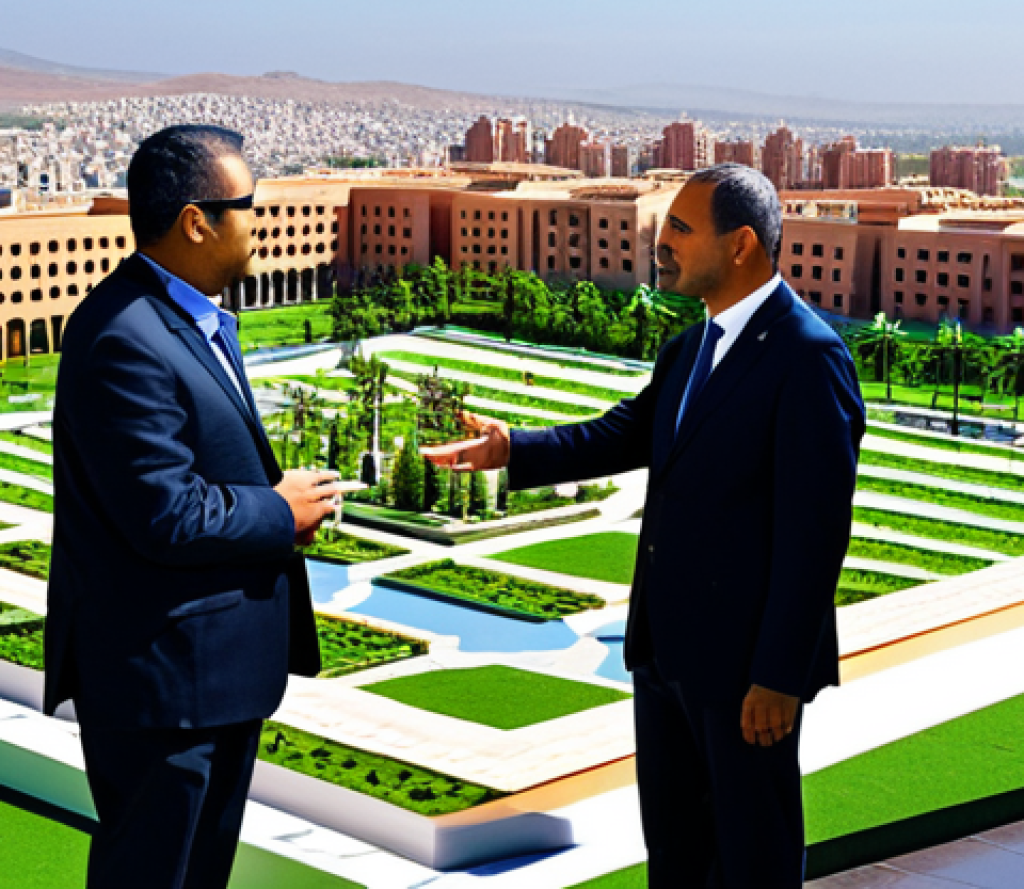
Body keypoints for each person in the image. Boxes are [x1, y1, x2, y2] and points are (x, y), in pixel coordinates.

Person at [423, 164, 865, 888]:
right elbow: (623, 434)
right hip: (665, 654)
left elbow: (815, 538)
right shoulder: (691, 348)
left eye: (683, 230)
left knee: (753, 857)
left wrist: (779, 676)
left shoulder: (808, 358)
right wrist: (513, 448)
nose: (665, 243)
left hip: (745, 674)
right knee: (678, 853)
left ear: (743, 244)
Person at [45, 124, 341, 889]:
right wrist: (282, 511)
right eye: (248, 205)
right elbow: (165, 513)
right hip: (164, 689)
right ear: (197, 221)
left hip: (211, 678)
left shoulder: (182, 316)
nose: (261, 221)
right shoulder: (125, 338)